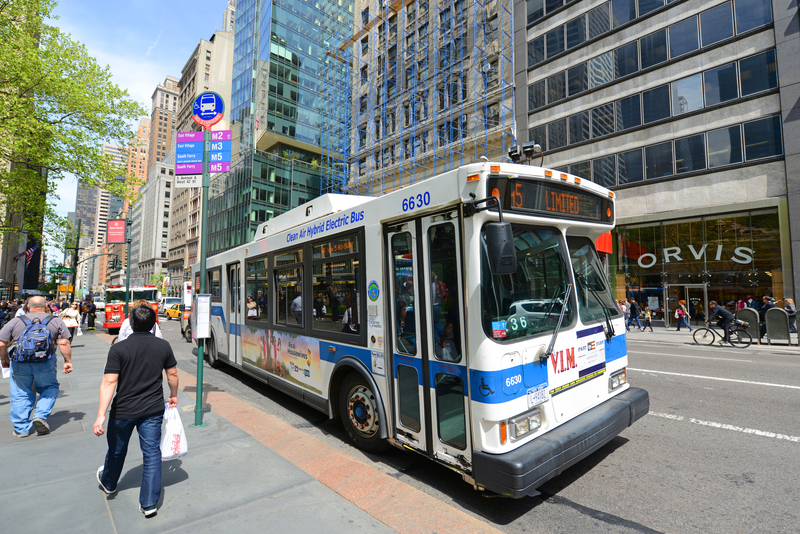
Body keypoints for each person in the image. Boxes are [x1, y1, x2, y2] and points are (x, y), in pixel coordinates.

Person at [93, 305, 179, 517]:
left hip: (123, 410)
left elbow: (109, 381)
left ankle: (110, 483)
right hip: (153, 409)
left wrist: (101, 414)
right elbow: (173, 375)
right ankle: (149, 504)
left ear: (130, 324)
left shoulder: (118, 349)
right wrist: (173, 394)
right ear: (153, 324)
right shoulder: (163, 346)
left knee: (116, 449)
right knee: (151, 454)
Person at [0, 296, 72, 437]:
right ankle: (40, 415)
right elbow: (64, 343)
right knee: (49, 387)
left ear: (27, 306)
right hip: (45, 361)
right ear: (46, 306)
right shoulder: (56, 321)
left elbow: (2, 343)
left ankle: (21, 428)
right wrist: (67, 361)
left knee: (20, 392)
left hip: (20, 362)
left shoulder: (15, 321)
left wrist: (4, 359)